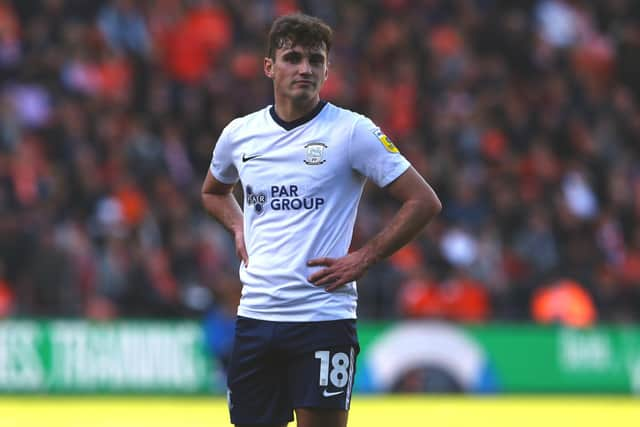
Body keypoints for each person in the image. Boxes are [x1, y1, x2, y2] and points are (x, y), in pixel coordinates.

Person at [201, 12, 441, 427]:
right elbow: (212, 191)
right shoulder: (240, 134)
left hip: (322, 318)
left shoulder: (352, 132)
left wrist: (365, 257)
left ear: (327, 69)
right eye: (292, 58)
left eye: (315, 60)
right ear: (269, 67)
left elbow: (423, 201)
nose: (305, 69)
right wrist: (239, 225)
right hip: (256, 315)